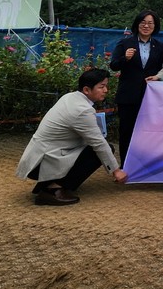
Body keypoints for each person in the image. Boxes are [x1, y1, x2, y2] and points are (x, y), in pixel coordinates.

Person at [16, 69, 127, 205]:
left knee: (91, 147)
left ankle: (47, 183)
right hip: (41, 163)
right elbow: (99, 143)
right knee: (98, 151)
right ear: (86, 90)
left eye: (106, 86)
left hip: (35, 159)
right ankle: (52, 190)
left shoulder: (69, 97)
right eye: (101, 87)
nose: (106, 90)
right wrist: (116, 171)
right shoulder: (82, 110)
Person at [110, 10, 163, 165]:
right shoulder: (125, 43)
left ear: (155, 26)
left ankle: (145, 165)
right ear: (137, 24)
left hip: (150, 96)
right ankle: (126, 165)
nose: (146, 26)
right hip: (128, 96)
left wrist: (158, 77)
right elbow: (113, 65)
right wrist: (125, 58)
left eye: (150, 23)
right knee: (126, 131)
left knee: (149, 132)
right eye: (143, 22)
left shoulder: (159, 46)